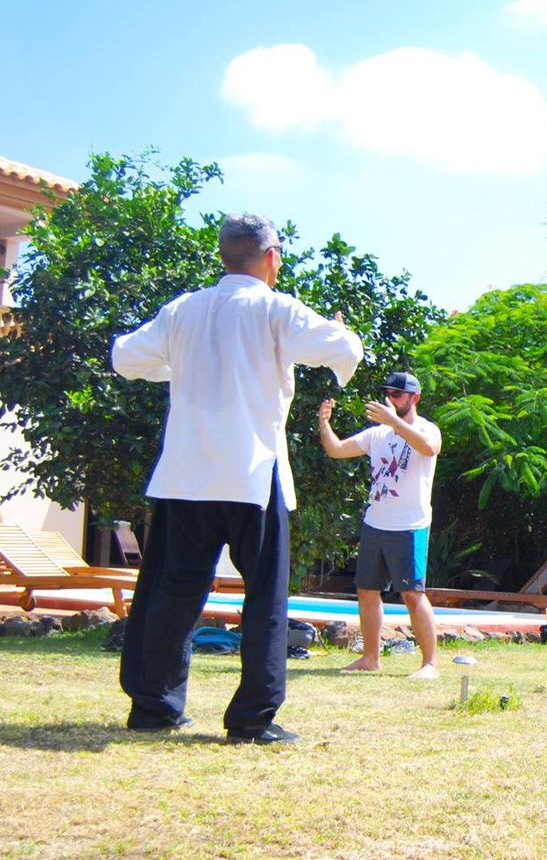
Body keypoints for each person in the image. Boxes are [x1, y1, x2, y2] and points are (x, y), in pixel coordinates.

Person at [112, 213, 362, 742]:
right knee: (264, 597)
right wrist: (339, 330)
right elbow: (343, 351)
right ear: (272, 257)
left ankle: (153, 707)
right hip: (250, 472)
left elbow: (125, 356)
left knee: (170, 594)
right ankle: (251, 719)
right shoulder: (276, 308)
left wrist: (175, 363)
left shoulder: (183, 309)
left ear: (223, 256)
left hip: (185, 474)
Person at [316, 372, 442, 677]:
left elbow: (429, 448)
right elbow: (336, 450)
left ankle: (430, 664)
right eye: (387, 393)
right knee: (367, 590)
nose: (390, 399)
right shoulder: (377, 435)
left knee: (412, 594)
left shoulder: (427, 429)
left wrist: (394, 422)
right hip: (376, 523)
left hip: (410, 526)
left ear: (415, 398)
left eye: (396, 395)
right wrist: (323, 423)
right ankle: (370, 658)